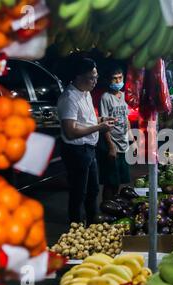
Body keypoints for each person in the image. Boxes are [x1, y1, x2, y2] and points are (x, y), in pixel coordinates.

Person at [57, 57, 114, 225]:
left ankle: (92, 224)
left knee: (93, 190)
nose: (95, 81)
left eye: (96, 77)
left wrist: (101, 119)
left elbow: (86, 120)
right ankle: (76, 226)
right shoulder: (69, 98)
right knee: (78, 192)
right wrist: (99, 127)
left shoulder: (86, 93)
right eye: (91, 77)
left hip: (89, 149)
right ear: (78, 76)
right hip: (76, 151)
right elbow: (71, 131)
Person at [98, 67, 132, 202]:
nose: (118, 81)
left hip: (123, 144)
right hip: (111, 145)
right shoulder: (105, 98)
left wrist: (132, 140)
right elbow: (105, 125)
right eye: (114, 78)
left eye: (120, 78)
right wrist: (111, 147)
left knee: (118, 181)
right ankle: (106, 207)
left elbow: (126, 119)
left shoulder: (124, 96)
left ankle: (114, 207)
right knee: (110, 182)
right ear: (109, 80)